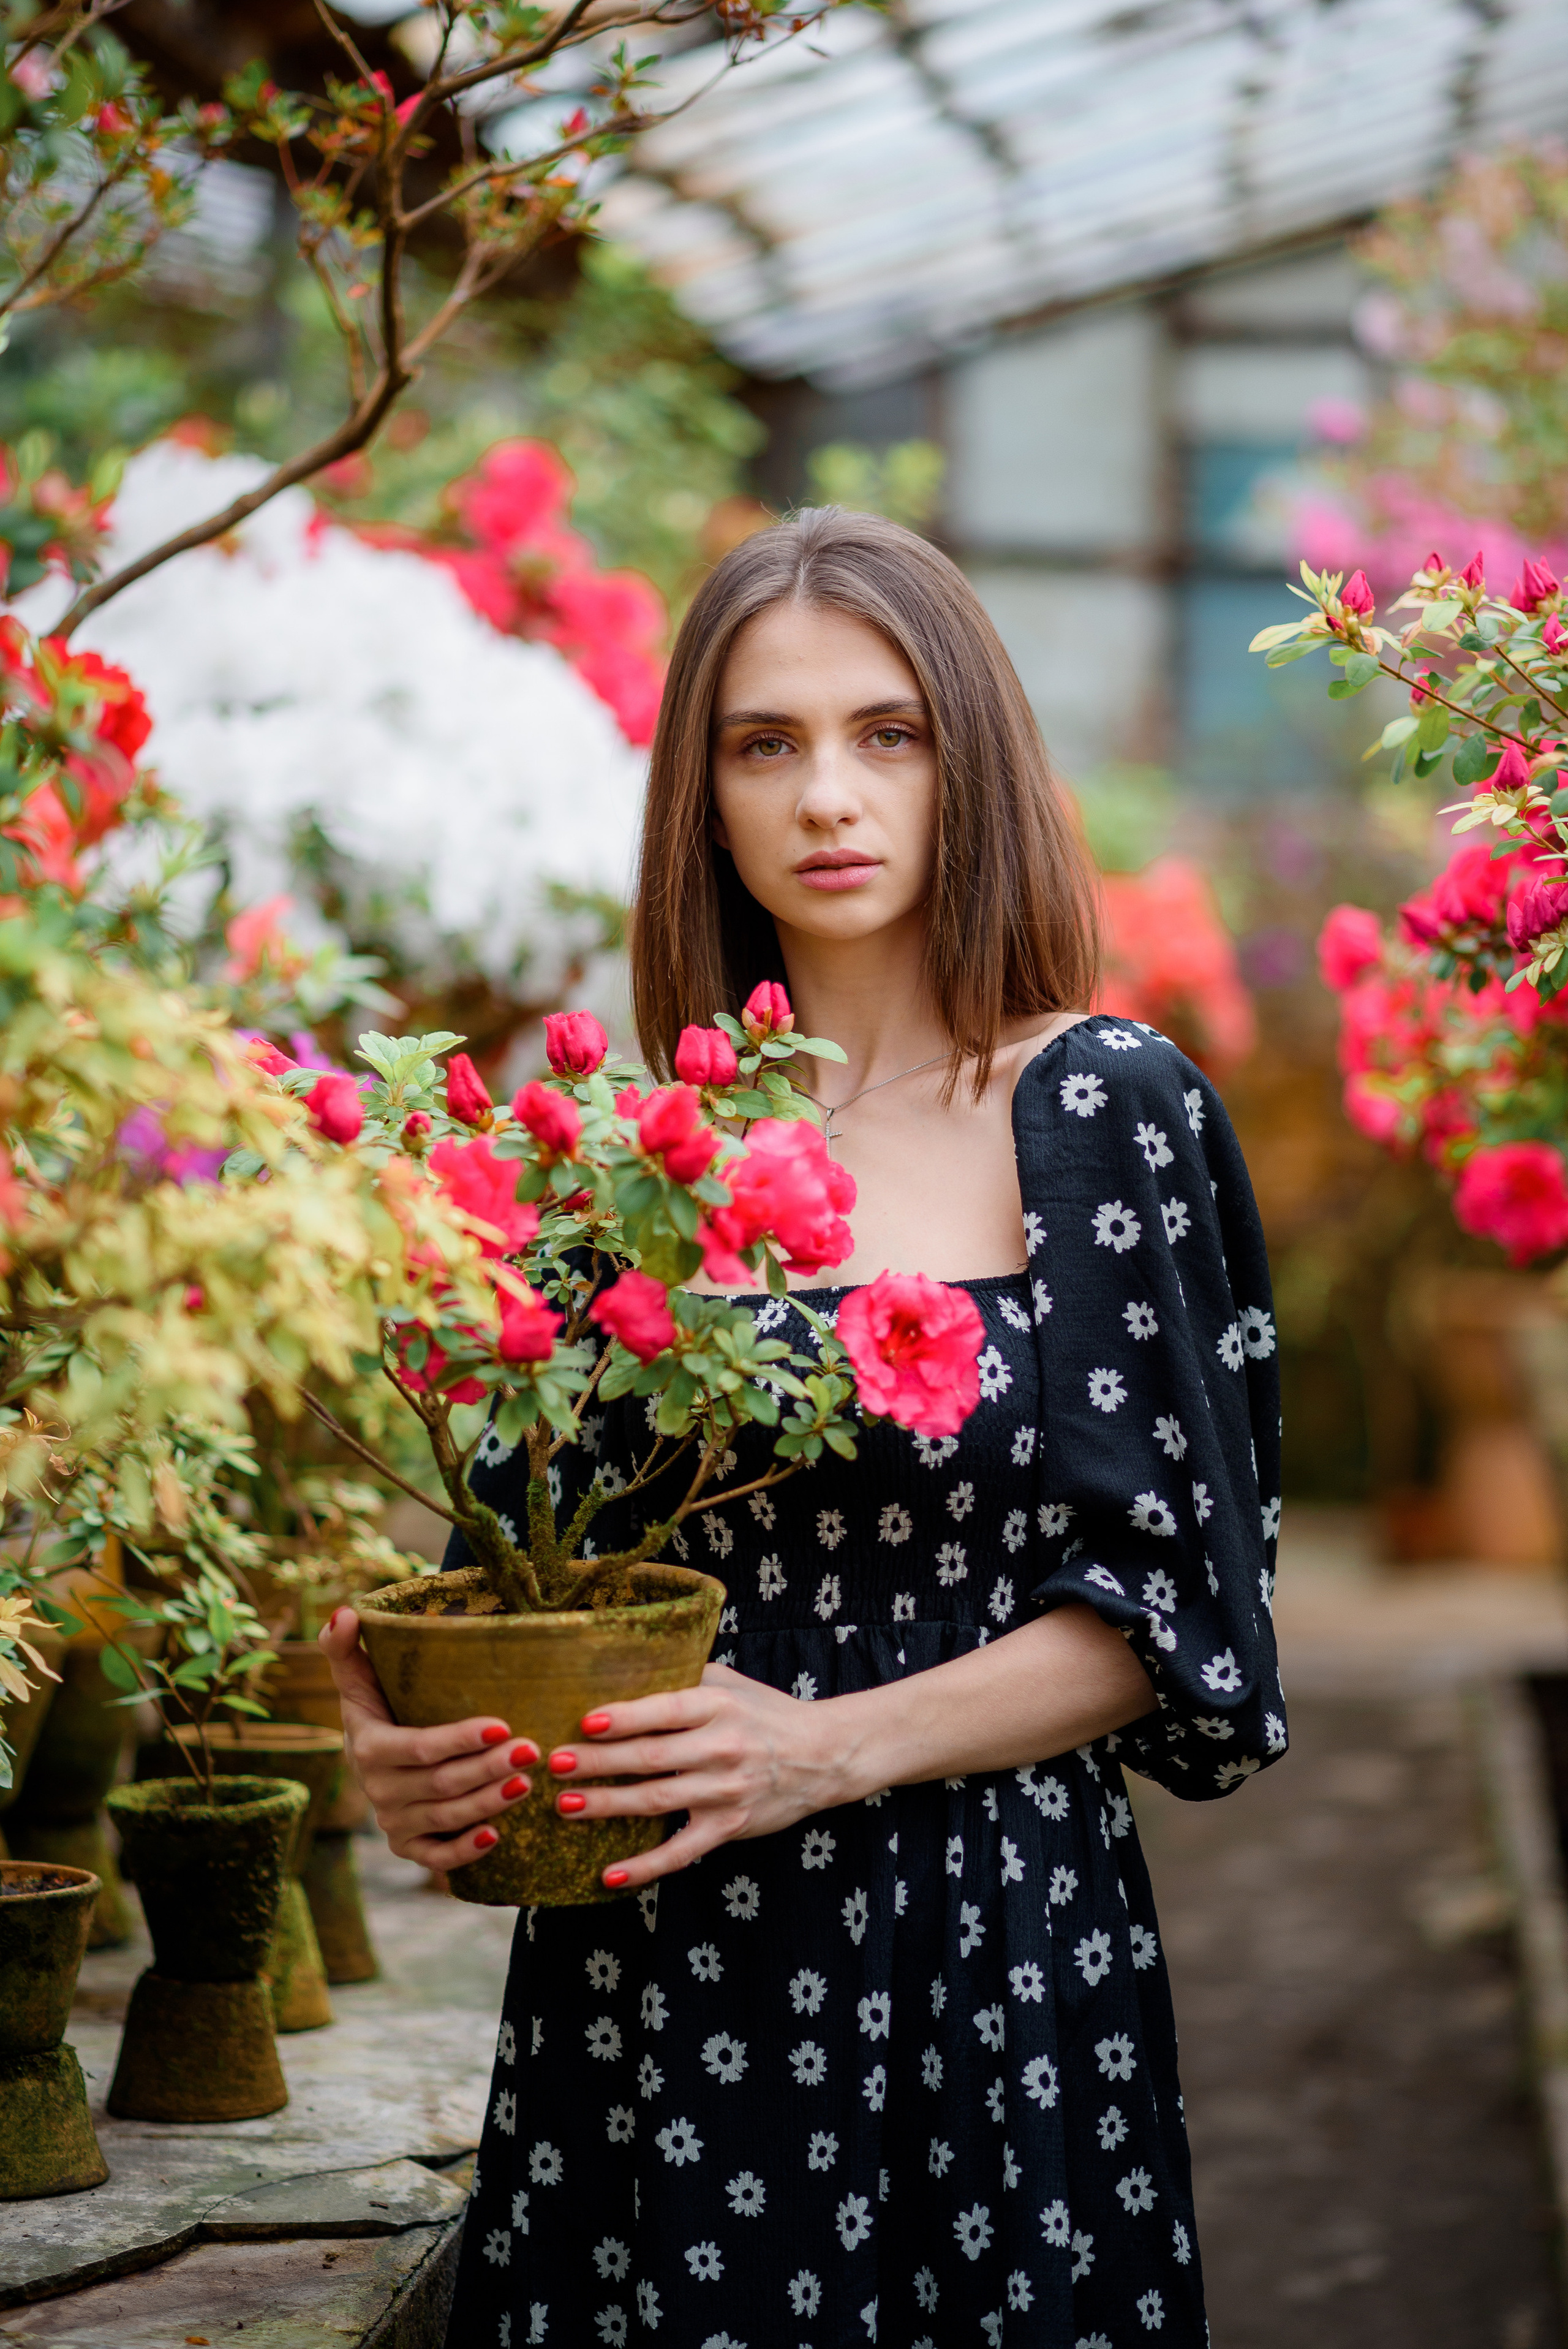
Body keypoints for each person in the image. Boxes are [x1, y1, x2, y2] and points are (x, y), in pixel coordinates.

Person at [322, 506, 1284, 2347]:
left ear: (966, 761)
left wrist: (824, 1751)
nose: (827, 793)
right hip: (660, 1988)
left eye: (886, 733)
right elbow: (509, 1605)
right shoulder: (623, 1162)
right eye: (766, 742)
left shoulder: (1104, 1108)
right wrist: (415, 1762)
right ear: (705, 789)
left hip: (1000, 1949)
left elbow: (1185, 1620)